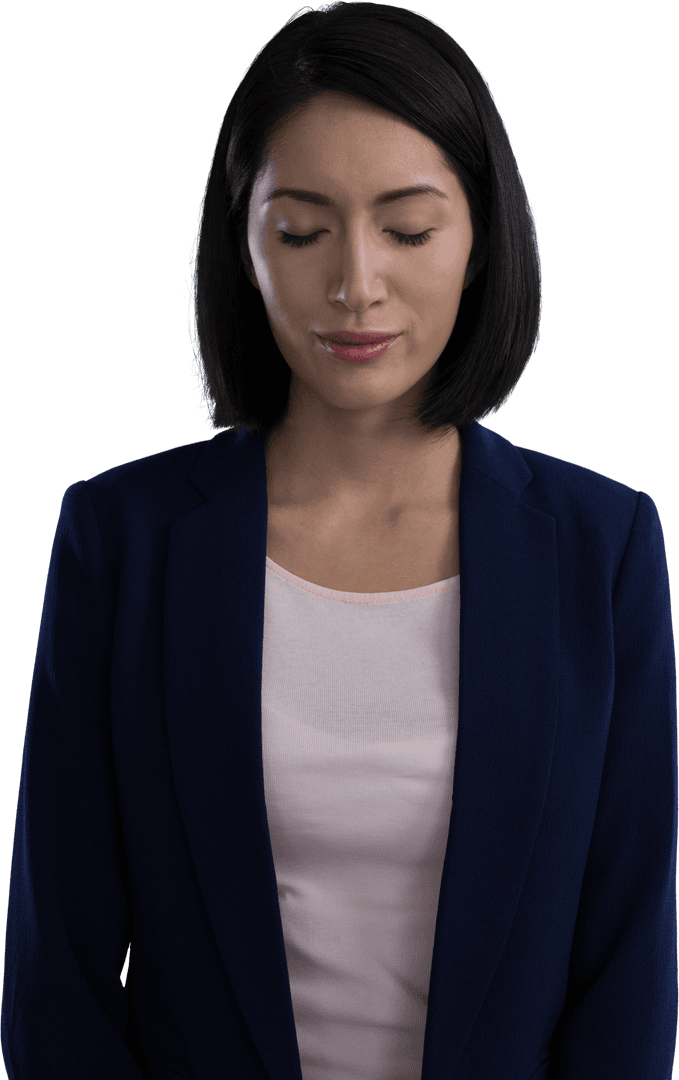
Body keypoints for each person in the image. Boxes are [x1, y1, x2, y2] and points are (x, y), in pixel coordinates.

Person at [1, 2, 677, 1078]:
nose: (355, 283)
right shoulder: (120, 539)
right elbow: (56, 973)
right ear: (243, 244)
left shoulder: (603, 549)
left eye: (408, 229)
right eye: (302, 231)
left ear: (481, 239)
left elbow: (631, 966)